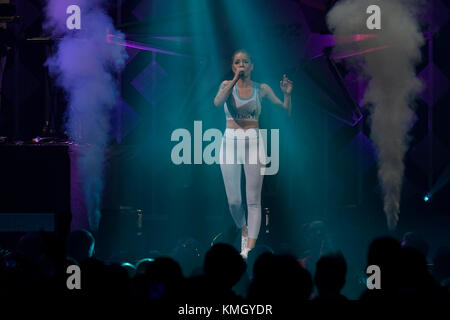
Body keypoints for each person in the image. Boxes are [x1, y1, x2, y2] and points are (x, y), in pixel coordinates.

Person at [213, 49, 293, 258]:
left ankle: (247, 251)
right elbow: (217, 102)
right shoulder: (225, 86)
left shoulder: (262, 89)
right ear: (233, 67)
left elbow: (285, 111)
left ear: (252, 66)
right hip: (229, 141)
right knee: (234, 201)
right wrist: (233, 80)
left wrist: (287, 94)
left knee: (253, 200)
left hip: (254, 142)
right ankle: (243, 228)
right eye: (237, 62)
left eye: (245, 62)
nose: (242, 65)